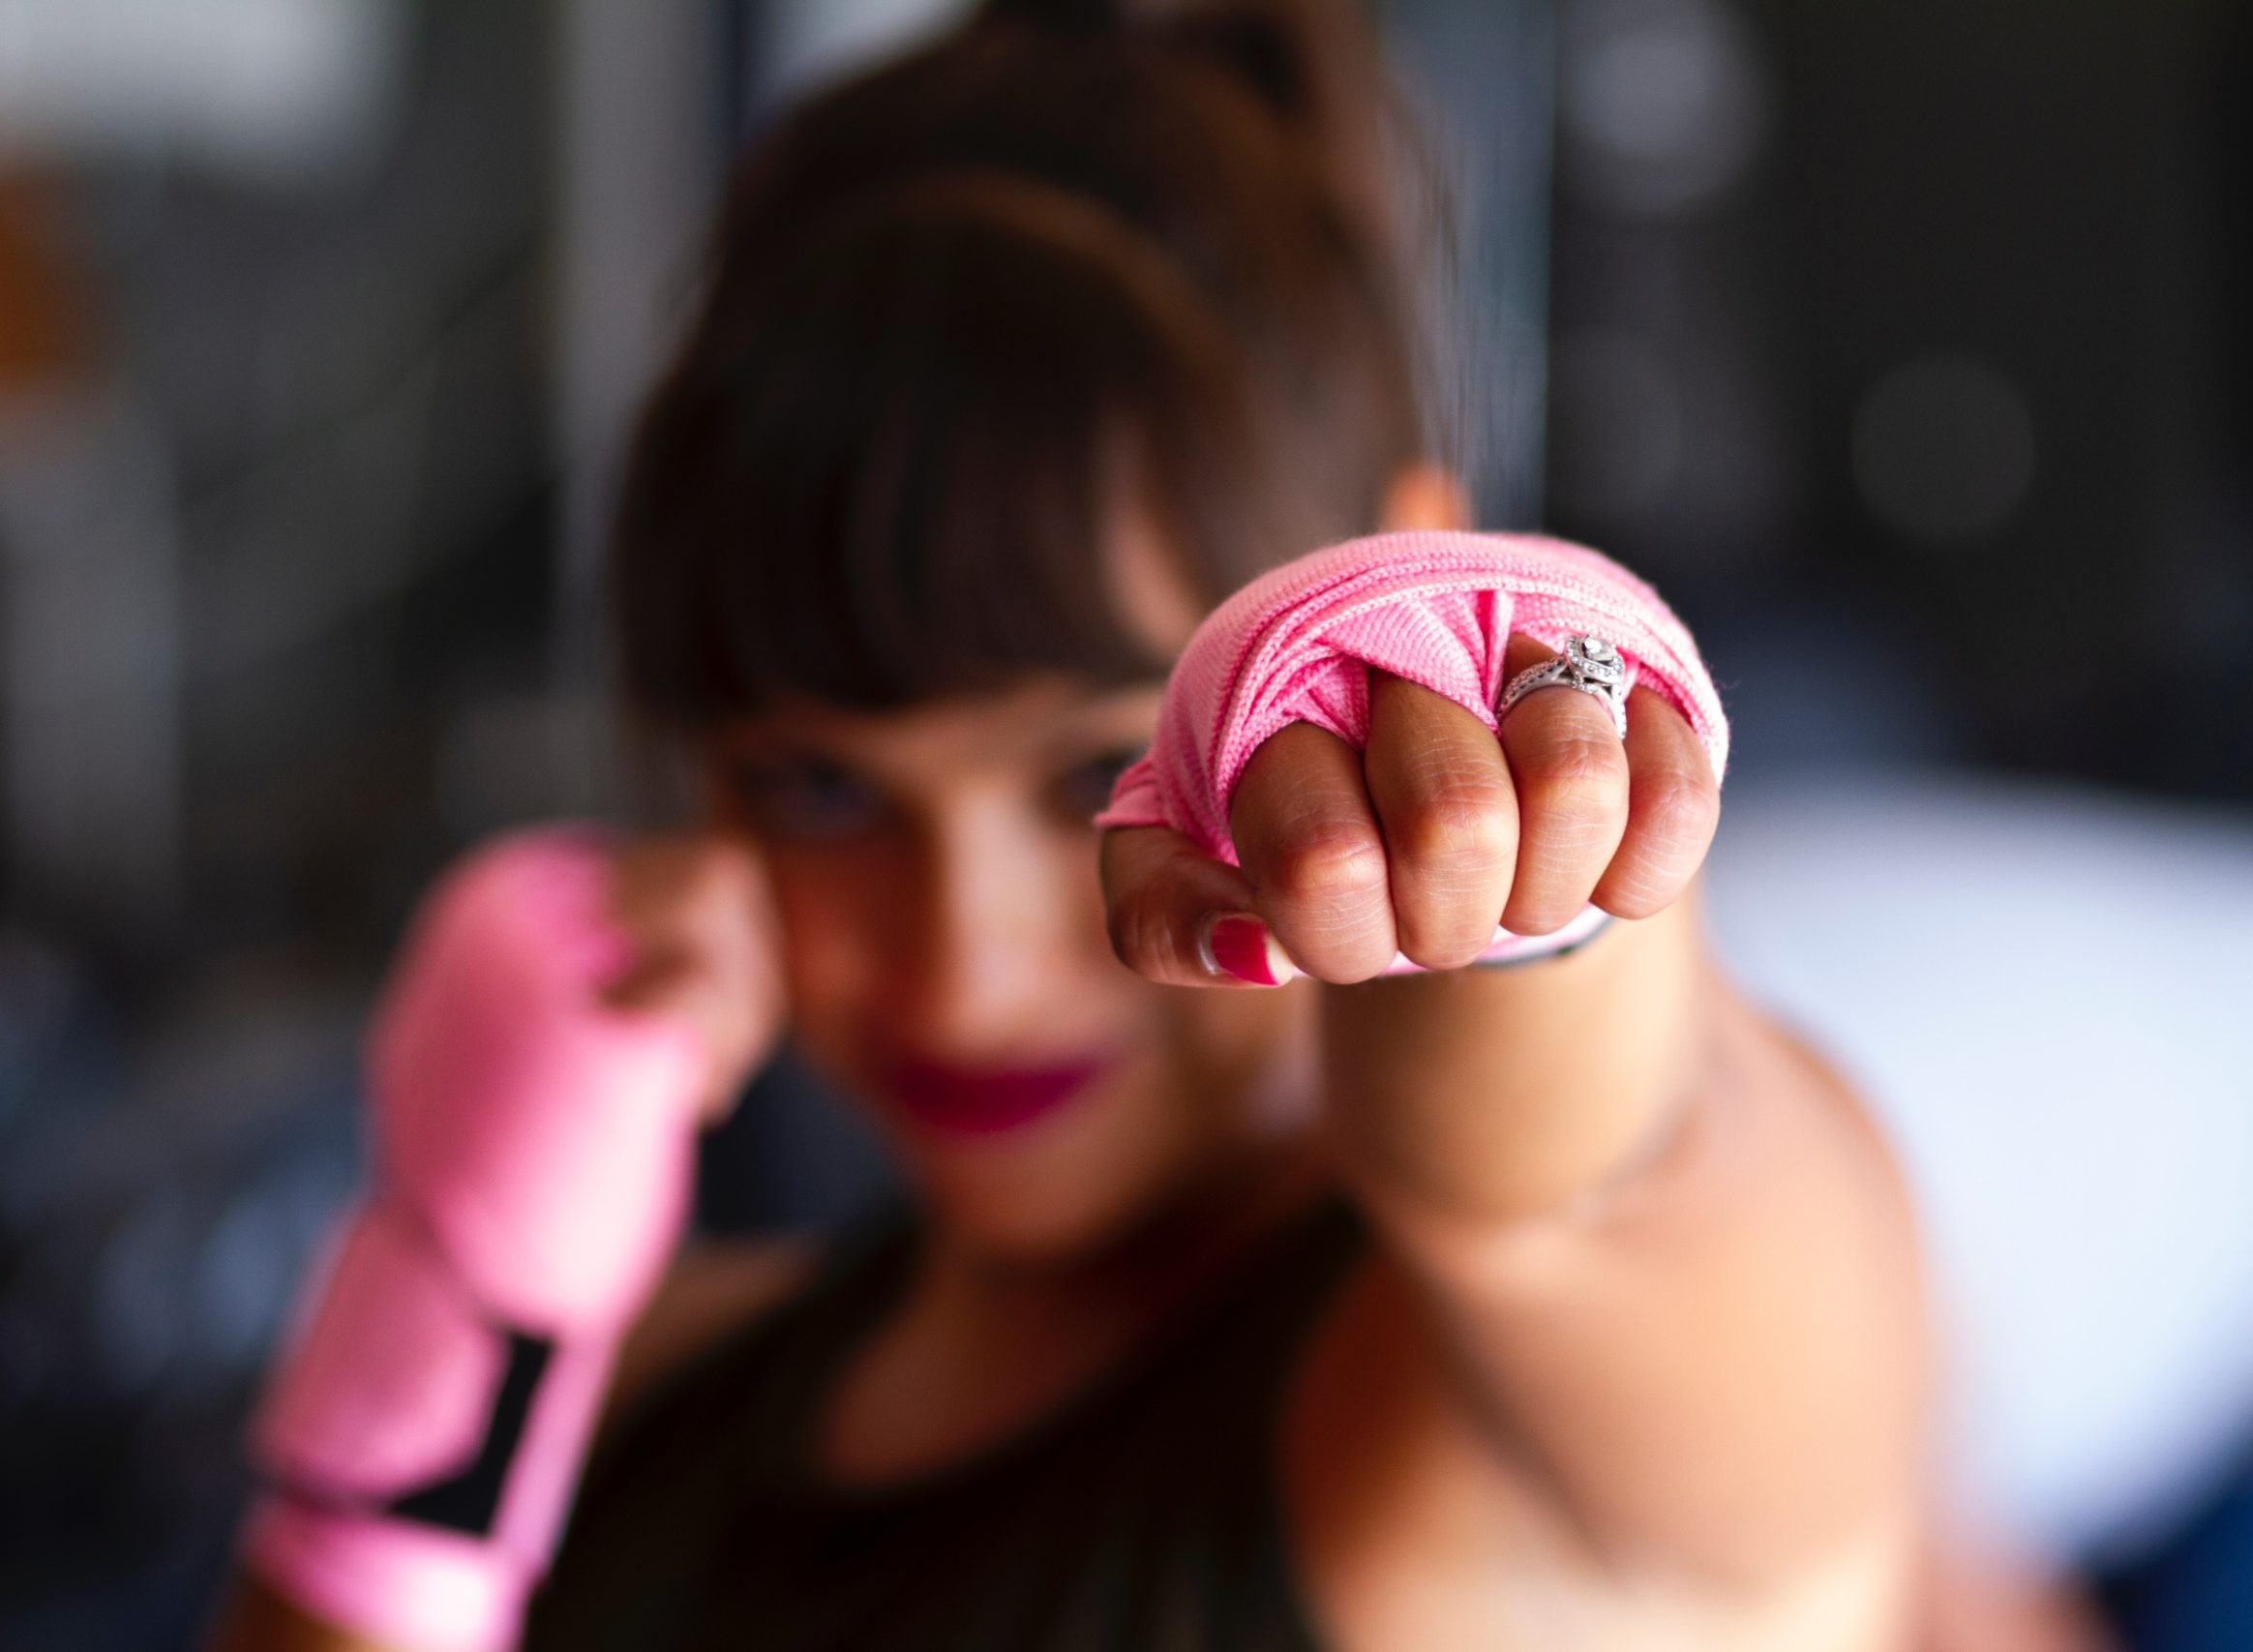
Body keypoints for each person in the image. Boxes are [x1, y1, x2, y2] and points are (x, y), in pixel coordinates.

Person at [207, 3, 2106, 1648]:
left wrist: (1514, 834)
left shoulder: (1514, 1440)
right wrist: (448, 1297)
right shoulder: (639, 1372)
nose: (962, 963)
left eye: (1079, 773)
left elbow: (1587, 1175)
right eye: (819, 785)